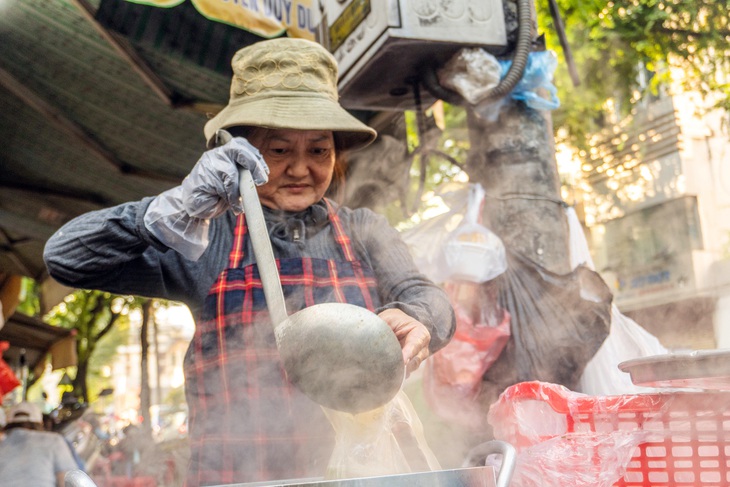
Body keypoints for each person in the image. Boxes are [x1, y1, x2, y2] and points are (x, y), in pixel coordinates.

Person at [44, 37, 455, 486]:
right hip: (236, 477)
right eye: (278, 150)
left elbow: (427, 296)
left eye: (318, 150)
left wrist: (418, 319)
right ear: (240, 153)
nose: (300, 169)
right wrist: (167, 211)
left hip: (355, 474)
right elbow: (66, 258)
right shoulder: (207, 236)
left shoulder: (363, 230)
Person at [0, 402, 79, 487]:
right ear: (40, 423)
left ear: (8, 424)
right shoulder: (53, 440)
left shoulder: (2, 444)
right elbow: (68, 481)